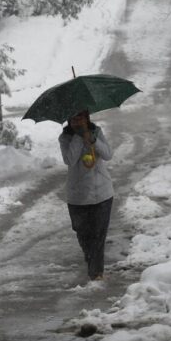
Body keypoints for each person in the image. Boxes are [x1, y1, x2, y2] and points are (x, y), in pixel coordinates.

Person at [58, 111, 114, 281]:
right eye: (74, 119)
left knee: (98, 234)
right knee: (82, 233)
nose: (78, 122)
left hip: (101, 192)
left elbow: (108, 154)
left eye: (81, 118)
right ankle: (92, 261)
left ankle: (96, 273)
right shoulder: (65, 138)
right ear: (69, 121)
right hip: (78, 196)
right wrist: (78, 137)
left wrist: (93, 139)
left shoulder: (97, 132)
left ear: (87, 118)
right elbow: (70, 160)